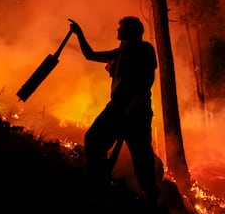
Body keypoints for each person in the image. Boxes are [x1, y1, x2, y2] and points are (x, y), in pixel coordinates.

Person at [68, 17, 161, 211]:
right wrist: (79, 33)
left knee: (141, 156)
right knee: (93, 139)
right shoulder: (119, 53)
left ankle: (152, 199)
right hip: (116, 108)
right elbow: (90, 55)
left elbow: (148, 80)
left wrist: (135, 104)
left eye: (121, 28)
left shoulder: (145, 49)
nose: (117, 31)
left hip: (138, 113)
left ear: (132, 31)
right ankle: (99, 186)